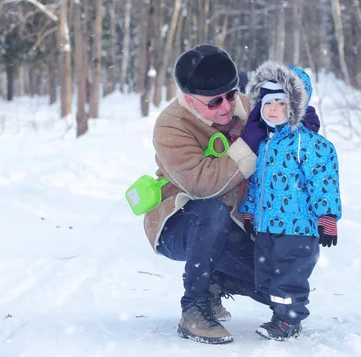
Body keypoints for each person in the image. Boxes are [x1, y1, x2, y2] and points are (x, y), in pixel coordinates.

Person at [143, 44, 320, 345]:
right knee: (209, 208)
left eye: (230, 94)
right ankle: (194, 309)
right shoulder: (171, 125)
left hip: (234, 221)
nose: (227, 106)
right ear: (190, 99)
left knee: (276, 285)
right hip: (178, 221)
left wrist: (299, 128)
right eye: (214, 102)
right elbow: (202, 184)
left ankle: (214, 282)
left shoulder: (248, 105)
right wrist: (248, 144)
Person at [239, 61, 342, 341]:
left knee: (289, 277)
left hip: (298, 229)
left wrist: (327, 217)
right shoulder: (263, 144)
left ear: (295, 107)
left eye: (281, 104)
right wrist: (248, 213)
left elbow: (324, 182)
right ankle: (279, 314)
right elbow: (255, 185)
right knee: (265, 275)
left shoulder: (308, 144)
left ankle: (288, 320)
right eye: (268, 102)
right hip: (266, 226)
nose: (272, 109)